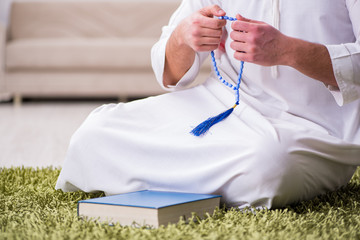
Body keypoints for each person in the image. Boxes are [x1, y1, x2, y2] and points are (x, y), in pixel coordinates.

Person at [56, 0, 360, 209]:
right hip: (220, 104)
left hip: (315, 128)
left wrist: (288, 51)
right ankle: (208, 177)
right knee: (95, 132)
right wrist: (183, 37)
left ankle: (152, 174)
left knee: (267, 166)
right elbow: (169, 73)